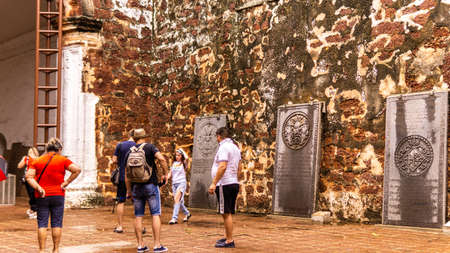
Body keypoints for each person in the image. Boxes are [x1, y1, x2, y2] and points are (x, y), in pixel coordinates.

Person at [26, 138, 81, 253]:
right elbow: (77, 170)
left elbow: (28, 177)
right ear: (59, 149)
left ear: (47, 148)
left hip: (42, 195)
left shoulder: (37, 161)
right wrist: (66, 183)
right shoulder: (63, 160)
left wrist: (38, 187)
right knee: (57, 222)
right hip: (58, 194)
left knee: (42, 223)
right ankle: (55, 250)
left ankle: (42, 250)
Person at [125, 128, 169, 253]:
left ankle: (140, 245)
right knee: (155, 213)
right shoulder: (150, 147)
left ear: (134, 138)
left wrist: (129, 191)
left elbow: (126, 174)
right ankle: (157, 245)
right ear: (145, 136)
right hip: (150, 185)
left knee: (138, 216)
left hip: (136, 187)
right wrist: (166, 174)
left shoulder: (130, 151)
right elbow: (161, 159)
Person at [208, 127, 241, 248]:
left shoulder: (223, 147)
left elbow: (222, 166)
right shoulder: (235, 148)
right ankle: (228, 237)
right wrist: (234, 178)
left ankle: (229, 240)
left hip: (224, 184)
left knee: (225, 213)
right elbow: (239, 168)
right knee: (228, 212)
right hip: (233, 182)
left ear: (219, 136)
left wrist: (214, 183)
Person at [112, 130, 136, 233]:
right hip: (135, 177)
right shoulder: (138, 146)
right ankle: (140, 226)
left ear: (129, 135)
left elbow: (114, 160)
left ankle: (120, 226)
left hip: (122, 176)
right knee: (137, 201)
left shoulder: (120, 145)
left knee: (121, 201)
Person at [167, 148, 191, 225]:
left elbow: (187, 158)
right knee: (178, 201)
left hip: (181, 183)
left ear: (181, 156)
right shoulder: (174, 164)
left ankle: (174, 218)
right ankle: (187, 213)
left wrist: (181, 150)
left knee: (176, 200)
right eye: (176, 155)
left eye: (179, 155)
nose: (177, 156)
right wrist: (166, 178)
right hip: (174, 184)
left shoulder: (184, 163)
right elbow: (170, 174)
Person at [17, 147, 40, 219]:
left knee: (31, 194)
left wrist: (23, 159)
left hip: (29, 179)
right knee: (35, 194)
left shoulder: (26, 158)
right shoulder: (39, 159)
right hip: (37, 179)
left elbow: (19, 166)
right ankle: (34, 209)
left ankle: (34, 210)